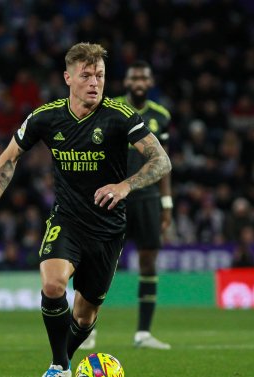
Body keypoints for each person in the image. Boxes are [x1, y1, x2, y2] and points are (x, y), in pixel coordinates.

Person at [0, 43, 171, 377]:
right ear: (68, 78)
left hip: (109, 227)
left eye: (100, 75)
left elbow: (161, 161)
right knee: (52, 285)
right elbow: (9, 157)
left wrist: (125, 185)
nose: (95, 82)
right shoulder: (45, 117)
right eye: (86, 75)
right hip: (67, 219)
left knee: (84, 315)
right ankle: (59, 366)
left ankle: (61, 363)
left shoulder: (120, 115)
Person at [80, 60, 173, 351]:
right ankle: (87, 330)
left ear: (151, 81)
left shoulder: (161, 116)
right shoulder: (112, 109)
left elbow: (164, 161)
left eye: (144, 77)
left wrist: (166, 203)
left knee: (148, 262)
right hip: (113, 195)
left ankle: (143, 333)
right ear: (127, 82)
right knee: (99, 261)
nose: (139, 82)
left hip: (147, 198)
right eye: (134, 77)